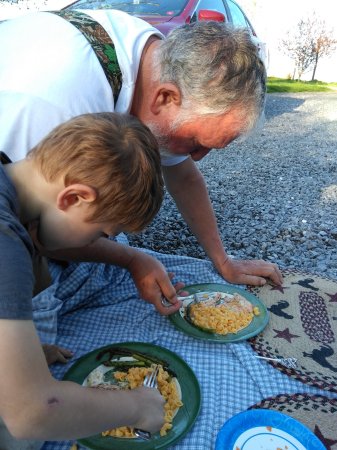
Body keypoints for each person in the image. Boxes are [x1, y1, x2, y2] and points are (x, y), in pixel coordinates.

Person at [0, 11, 283, 311]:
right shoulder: (58, 105)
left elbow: (184, 176)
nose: (196, 157)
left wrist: (222, 260)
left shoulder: (159, 61)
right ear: (164, 98)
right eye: (196, 143)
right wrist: (131, 259)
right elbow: (37, 234)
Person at [0, 112, 166, 447]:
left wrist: (20, 356)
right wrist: (137, 406)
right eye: (100, 233)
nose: (93, 245)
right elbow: (31, 414)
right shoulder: (5, 240)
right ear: (74, 198)